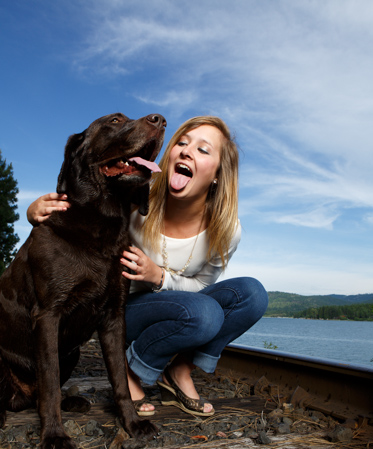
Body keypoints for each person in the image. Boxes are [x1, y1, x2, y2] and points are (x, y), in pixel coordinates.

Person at [27, 115, 268, 417]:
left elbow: (204, 288)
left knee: (252, 295)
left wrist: (160, 276)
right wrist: (33, 209)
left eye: (203, 150)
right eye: (181, 142)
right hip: (124, 311)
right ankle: (133, 370)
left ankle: (179, 371)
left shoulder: (226, 229)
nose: (186, 151)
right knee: (203, 313)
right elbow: (82, 206)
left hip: (176, 306)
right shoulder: (136, 193)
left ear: (218, 173)